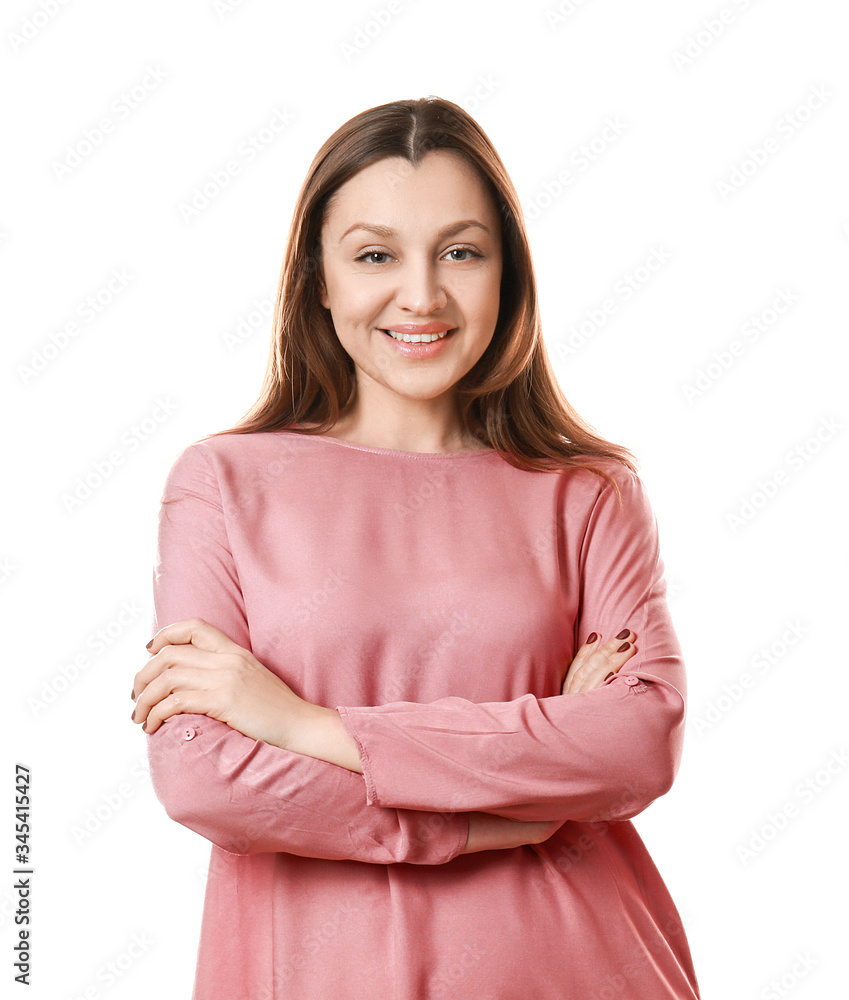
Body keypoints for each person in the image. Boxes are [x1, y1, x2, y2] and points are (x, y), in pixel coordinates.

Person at [131, 96, 702, 999]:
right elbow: (206, 779)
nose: (423, 294)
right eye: (374, 255)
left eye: (461, 252)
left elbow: (635, 744)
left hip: (575, 966)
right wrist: (497, 815)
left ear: (506, 274)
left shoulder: (590, 492)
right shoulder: (222, 483)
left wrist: (305, 725)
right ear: (317, 281)